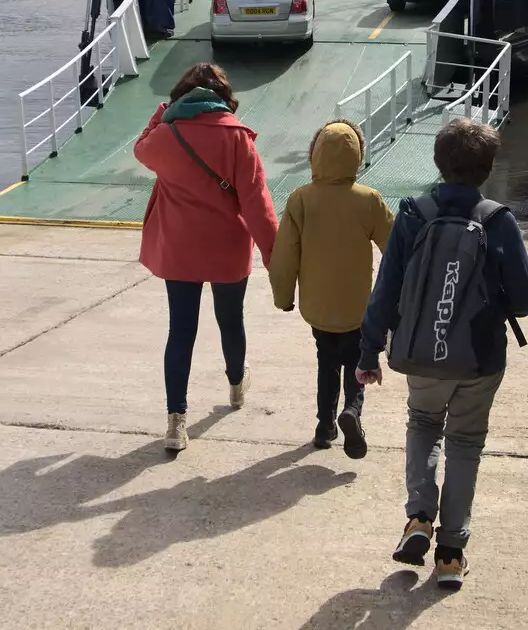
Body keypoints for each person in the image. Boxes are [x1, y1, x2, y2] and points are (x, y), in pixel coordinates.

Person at [356, 118, 528, 591]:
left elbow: (386, 288)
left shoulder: (413, 213)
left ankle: (418, 518)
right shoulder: (498, 220)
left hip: (420, 351)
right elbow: (524, 301)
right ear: (487, 168)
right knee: (465, 442)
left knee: (423, 423)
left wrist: (369, 350)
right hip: (479, 357)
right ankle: (452, 553)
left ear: (438, 162)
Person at [134, 62, 278, 452]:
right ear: (222, 97)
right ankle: (235, 385)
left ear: (181, 95)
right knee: (231, 320)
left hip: (180, 249)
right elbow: (256, 203)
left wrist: (162, 113)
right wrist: (274, 254)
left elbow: (140, 148)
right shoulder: (237, 138)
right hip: (227, 249)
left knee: (181, 331)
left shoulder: (166, 135)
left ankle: (176, 422)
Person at [267, 119, 395, 456]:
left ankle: (324, 427)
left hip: (317, 307)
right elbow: (396, 251)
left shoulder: (300, 200)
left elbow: (284, 256)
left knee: (326, 361)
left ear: (314, 155)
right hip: (357, 308)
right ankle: (351, 411)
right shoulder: (369, 200)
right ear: (358, 156)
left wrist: (284, 297)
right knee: (357, 360)